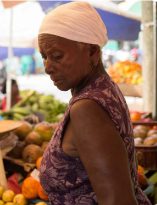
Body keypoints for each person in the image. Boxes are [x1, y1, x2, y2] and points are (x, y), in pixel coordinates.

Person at [37, 2, 150, 205]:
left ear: (91, 51)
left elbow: (118, 201)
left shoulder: (86, 108)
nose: (47, 67)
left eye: (56, 56)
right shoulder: (104, 88)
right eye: (44, 57)